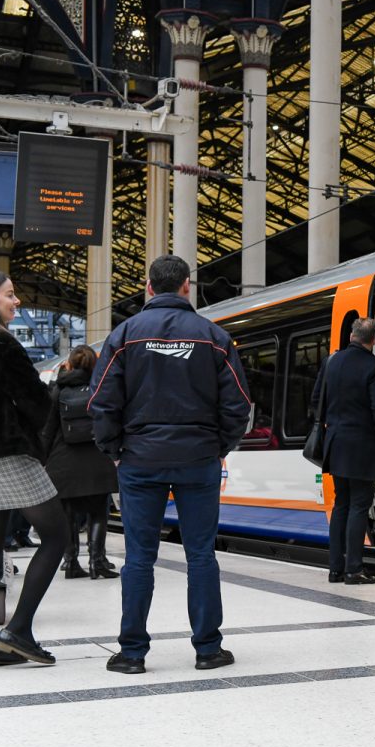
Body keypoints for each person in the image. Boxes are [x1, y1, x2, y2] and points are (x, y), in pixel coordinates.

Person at [89, 255, 251, 675]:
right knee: (201, 555)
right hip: (198, 460)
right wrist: (220, 447)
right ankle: (208, 650)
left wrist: (115, 450)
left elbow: (101, 401)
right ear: (186, 287)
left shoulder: (123, 335)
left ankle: (132, 654)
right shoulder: (214, 337)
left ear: (148, 287)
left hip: (139, 461)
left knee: (139, 558)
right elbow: (239, 404)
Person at [0, 268, 69, 668]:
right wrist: (33, 432)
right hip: (8, 453)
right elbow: (36, 401)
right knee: (57, 536)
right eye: (9, 295)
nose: (16, 302)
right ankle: (19, 629)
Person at [311, 317, 375, 585]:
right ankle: (354, 569)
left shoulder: (331, 363)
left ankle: (335, 569)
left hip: (335, 444)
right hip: (363, 447)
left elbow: (315, 401)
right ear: (374, 340)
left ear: (352, 335)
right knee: (359, 505)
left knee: (341, 504)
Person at [40, 345, 120, 580]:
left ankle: (71, 563)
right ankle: (97, 563)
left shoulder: (58, 389)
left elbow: (49, 428)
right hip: (97, 459)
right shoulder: (101, 387)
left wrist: (42, 458)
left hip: (64, 461)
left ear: (70, 365)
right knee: (98, 513)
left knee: (67, 516)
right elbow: (112, 422)